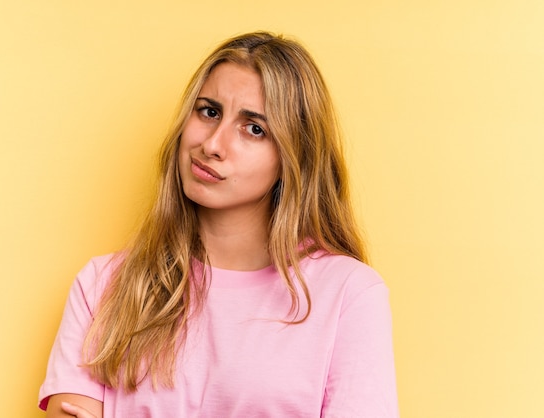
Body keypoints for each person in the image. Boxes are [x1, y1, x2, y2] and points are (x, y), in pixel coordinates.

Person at [39, 31, 399, 417]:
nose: (212, 144)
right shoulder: (103, 286)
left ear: (294, 156)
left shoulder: (349, 295)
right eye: (209, 111)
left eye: (254, 128)